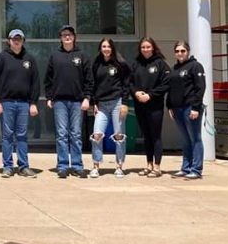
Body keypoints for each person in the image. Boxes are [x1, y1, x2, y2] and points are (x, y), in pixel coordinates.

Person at [45, 25, 94, 179]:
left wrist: (87, 98)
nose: (67, 37)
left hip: (77, 101)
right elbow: (48, 79)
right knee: (61, 134)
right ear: (60, 38)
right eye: (64, 35)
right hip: (59, 101)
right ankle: (63, 166)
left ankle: (78, 166)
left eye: (70, 35)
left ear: (74, 37)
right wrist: (49, 97)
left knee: (76, 134)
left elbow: (89, 80)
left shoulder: (82, 55)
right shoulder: (54, 56)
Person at [0, 29, 39, 178]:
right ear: (9, 41)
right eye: (13, 39)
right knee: (7, 136)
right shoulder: (1, 58)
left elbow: (35, 82)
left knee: (22, 136)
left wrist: (33, 103)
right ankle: (8, 166)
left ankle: (24, 166)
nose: (16, 41)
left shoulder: (29, 59)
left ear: (23, 41)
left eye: (19, 39)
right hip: (7, 103)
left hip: (24, 103)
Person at [89, 38, 130, 179]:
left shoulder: (120, 64)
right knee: (97, 135)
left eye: (108, 46)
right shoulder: (96, 64)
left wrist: (125, 103)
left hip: (117, 103)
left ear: (112, 48)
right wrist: (94, 102)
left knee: (119, 135)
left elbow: (126, 84)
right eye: (103, 46)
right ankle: (96, 166)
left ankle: (119, 167)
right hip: (101, 105)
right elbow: (93, 84)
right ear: (100, 48)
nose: (106, 49)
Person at [131, 37, 170, 178]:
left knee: (155, 136)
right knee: (146, 136)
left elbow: (166, 84)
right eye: (143, 47)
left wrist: (150, 95)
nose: (145, 49)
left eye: (148, 47)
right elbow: (129, 82)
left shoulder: (160, 64)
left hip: (155, 106)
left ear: (153, 48)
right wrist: (136, 93)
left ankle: (157, 166)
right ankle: (149, 165)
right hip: (139, 105)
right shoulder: (136, 64)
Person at [167, 40, 206, 180]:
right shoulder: (174, 69)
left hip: (190, 108)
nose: (180, 53)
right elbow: (171, 89)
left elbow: (200, 88)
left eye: (182, 51)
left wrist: (195, 107)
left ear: (188, 51)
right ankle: (186, 167)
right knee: (185, 139)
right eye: (177, 51)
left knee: (195, 138)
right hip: (177, 109)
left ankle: (196, 169)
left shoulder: (195, 66)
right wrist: (169, 106)